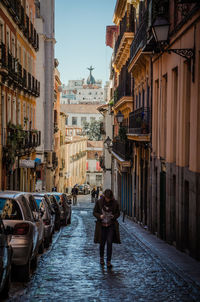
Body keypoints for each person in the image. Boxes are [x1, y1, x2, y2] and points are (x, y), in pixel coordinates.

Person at [93, 189, 120, 268]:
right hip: (101, 226)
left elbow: (118, 213)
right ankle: (101, 258)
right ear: (104, 196)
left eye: (109, 198)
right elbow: (94, 212)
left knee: (109, 242)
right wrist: (100, 216)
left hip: (111, 225)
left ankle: (108, 261)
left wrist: (113, 216)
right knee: (102, 243)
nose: (108, 200)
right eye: (106, 198)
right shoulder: (99, 202)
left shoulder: (115, 203)